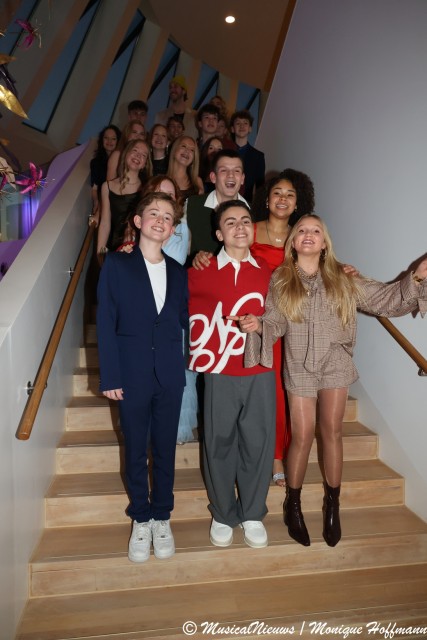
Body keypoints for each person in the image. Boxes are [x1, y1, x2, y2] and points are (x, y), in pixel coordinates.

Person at [242, 214, 427, 548]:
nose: (308, 234)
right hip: (299, 362)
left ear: (324, 242)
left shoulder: (344, 277)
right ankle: (293, 505)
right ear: (293, 242)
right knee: (302, 435)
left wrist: (415, 277)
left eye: (316, 231)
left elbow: (384, 298)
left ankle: (332, 506)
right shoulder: (281, 279)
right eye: (302, 230)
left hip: (336, 360)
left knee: (333, 431)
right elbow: (275, 321)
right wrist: (260, 326)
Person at [97, 192, 189, 563]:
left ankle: (162, 515)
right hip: (131, 373)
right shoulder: (117, 264)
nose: (160, 220)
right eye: (153, 213)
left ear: (172, 228)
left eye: (168, 216)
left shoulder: (179, 272)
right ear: (138, 221)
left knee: (165, 448)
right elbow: (106, 322)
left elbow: (184, 320)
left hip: (169, 374)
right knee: (136, 448)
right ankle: (140, 516)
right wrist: (110, 375)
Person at [188, 200, 276, 549]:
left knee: (258, 441)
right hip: (219, 369)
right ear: (218, 233)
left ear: (253, 228)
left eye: (245, 220)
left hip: (259, 367)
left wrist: (263, 324)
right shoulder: (200, 269)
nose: (240, 227)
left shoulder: (269, 272)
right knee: (219, 441)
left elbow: (287, 314)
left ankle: (252, 512)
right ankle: (223, 513)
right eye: (230, 222)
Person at [115, 175, 198, 443]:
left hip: (170, 315)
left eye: (171, 194)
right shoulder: (136, 233)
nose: (165, 197)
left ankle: (173, 434)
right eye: (159, 192)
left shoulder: (181, 228)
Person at [251, 170, 315, 486]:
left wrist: (343, 269)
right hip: (258, 320)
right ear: (267, 199)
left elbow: (318, 267)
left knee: (292, 387)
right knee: (272, 390)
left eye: (290, 194)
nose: (283, 199)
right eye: (277, 192)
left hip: (293, 321)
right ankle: (275, 455)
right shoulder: (249, 230)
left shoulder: (300, 236)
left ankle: (290, 451)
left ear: (297, 203)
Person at [185, 149, 247, 259]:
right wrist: (194, 258)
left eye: (236, 171)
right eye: (224, 170)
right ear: (213, 177)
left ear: (242, 179)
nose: (231, 175)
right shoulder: (192, 205)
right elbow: (179, 248)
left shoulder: (252, 212)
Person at [97, 139, 150, 254]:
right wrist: (99, 253)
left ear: (145, 164)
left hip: (138, 248)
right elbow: (105, 223)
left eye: (143, 155)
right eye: (135, 150)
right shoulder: (106, 186)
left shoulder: (147, 189)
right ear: (126, 153)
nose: (138, 155)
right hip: (114, 247)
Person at [230, 109, 265, 204]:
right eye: (238, 123)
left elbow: (260, 186)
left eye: (245, 123)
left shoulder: (258, 156)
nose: (241, 126)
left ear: (250, 128)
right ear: (232, 129)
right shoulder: (224, 152)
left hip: (246, 202)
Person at [90, 125, 121, 223]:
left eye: (113, 139)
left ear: (118, 141)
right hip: (102, 202)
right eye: (106, 138)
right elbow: (95, 188)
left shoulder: (122, 162)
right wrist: (96, 201)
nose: (109, 141)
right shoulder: (96, 162)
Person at [167, 135, 203, 200]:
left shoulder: (197, 182)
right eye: (183, 146)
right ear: (174, 150)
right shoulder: (162, 180)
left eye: (192, 150)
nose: (187, 151)